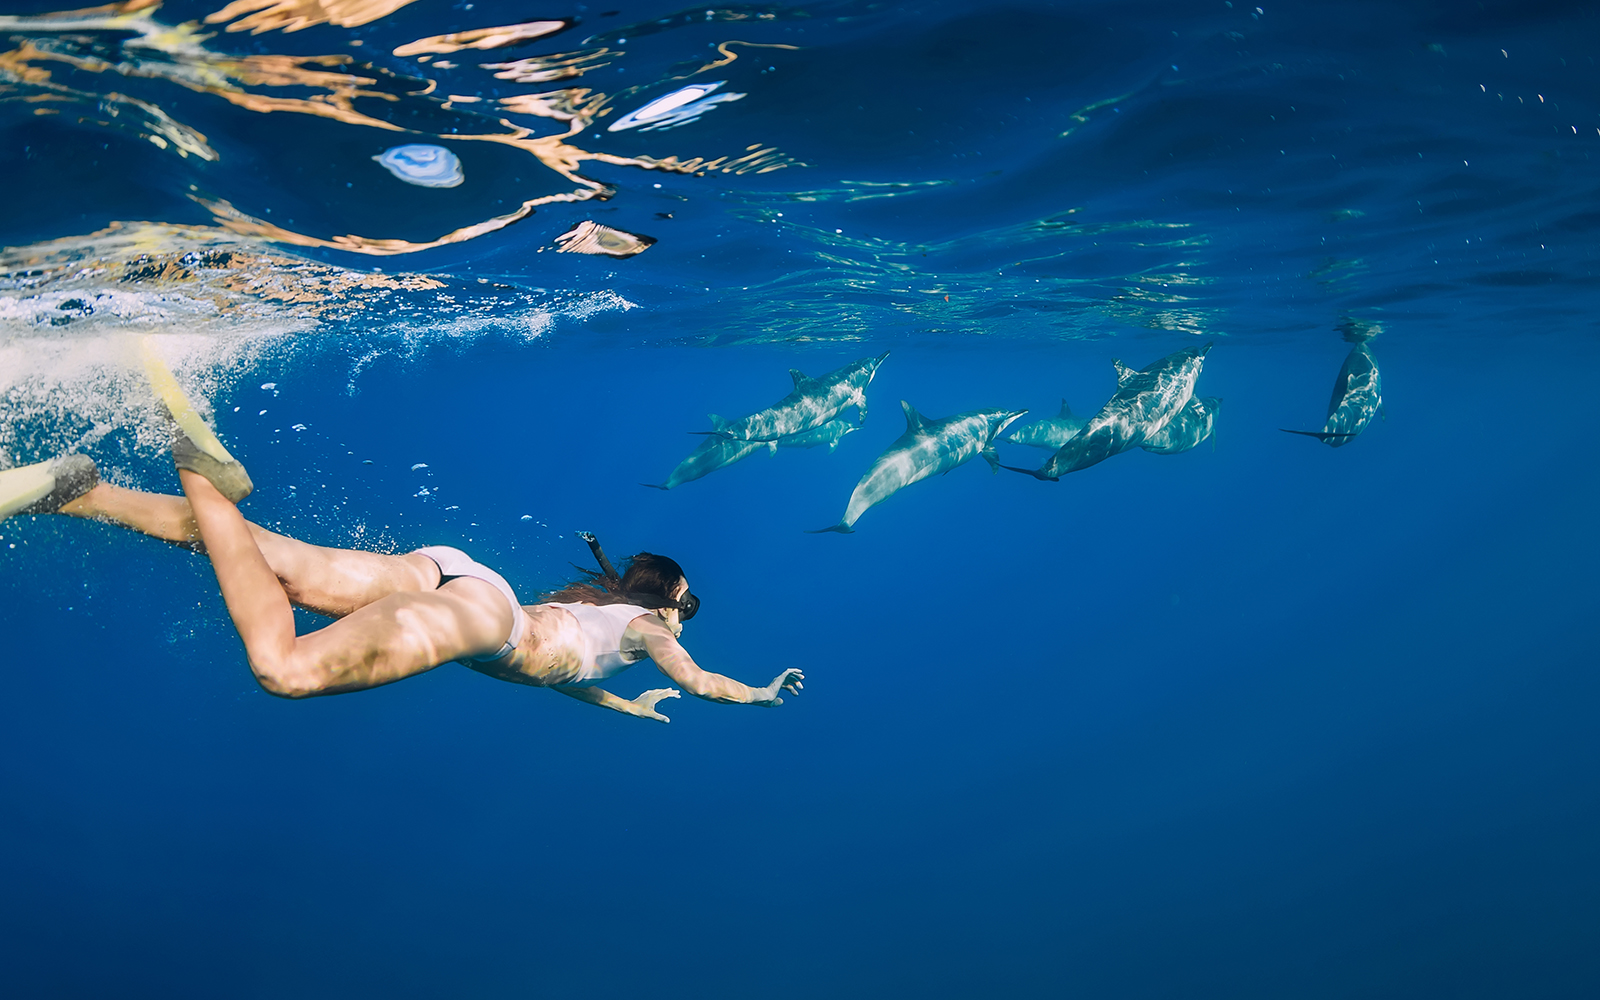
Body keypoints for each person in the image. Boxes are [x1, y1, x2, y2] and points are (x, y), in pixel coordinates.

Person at [0, 358, 803, 724]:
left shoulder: (605, 617)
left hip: (454, 575)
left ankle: (76, 492)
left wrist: (621, 706)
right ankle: (200, 471)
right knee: (283, 669)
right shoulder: (647, 632)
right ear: (669, 608)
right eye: (683, 609)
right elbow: (700, 682)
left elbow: (565, 677)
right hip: (484, 622)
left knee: (274, 566)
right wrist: (757, 693)